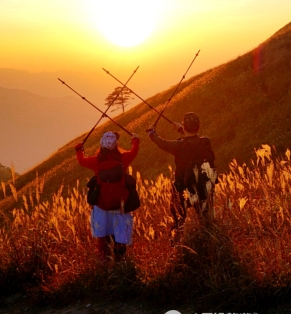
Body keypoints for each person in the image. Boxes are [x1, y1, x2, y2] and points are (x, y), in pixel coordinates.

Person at [146, 112, 216, 235]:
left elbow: (162, 143)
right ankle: (209, 238)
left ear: (184, 127)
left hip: (183, 187)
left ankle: (178, 241)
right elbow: (193, 141)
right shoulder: (206, 141)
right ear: (198, 126)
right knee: (205, 217)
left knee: (178, 217)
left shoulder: (178, 146)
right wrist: (181, 129)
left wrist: (152, 133)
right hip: (204, 185)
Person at [75, 130, 139, 263]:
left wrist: (79, 149)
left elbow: (81, 160)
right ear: (116, 145)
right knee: (120, 236)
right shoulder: (123, 159)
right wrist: (135, 140)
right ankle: (120, 262)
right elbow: (134, 151)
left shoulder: (95, 162)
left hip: (101, 205)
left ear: (101, 146)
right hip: (121, 205)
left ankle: (104, 263)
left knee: (103, 237)